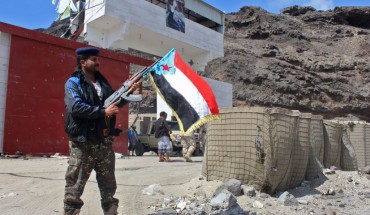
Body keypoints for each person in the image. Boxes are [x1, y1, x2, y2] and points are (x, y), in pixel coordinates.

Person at [63, 47, 139, 215]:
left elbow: (115, 103)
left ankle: (111, 212)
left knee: (108, 185)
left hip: (104, 142)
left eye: (98, 59)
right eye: (93, 60)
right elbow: (75, 107)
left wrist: (130, 90)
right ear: (82, 62)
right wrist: (102, 112)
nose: (98, 63)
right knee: (75, 185)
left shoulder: (102, 83)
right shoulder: (73, 83)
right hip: (84, 142)